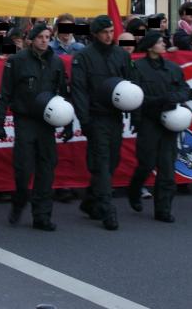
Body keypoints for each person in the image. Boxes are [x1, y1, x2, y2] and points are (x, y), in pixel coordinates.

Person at [0, 23, 71, 231]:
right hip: (25, 121)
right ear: (31, 39)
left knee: (46, 168)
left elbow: (63, 94)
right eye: (40, 37)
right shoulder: (16, 61)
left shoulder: (56, 62)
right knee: (24, 169)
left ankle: (42, 216)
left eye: (47, 36)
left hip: (47, 122)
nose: (45, 40)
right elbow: (6, 94)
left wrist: (68, 123)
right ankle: (18, 202)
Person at [71, 15, 136, 231]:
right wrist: (84, 120)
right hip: (95, 117)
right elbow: (79, 90)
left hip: (115, 117)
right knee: (101, 162)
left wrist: (133, 111)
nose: (109, 36)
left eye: (111, 31)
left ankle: (90, 201)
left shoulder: (121, 55)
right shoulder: (83, 57)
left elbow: (131, 85)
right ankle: (108, 210)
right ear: (95, 34)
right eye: (104, 32)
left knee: (112, 162)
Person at [128, 31, 192, 223]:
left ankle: (163, 209)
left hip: (170, 122)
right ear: (150, 46)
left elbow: (183, 88)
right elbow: (134, 96)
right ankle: (134, 189)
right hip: (149, 121)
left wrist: (177, 98)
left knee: (167, 167)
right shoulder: (137, 68)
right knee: (146, 163)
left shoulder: (173, 68)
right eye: (160, 42)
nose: (164, 44)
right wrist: (156, 102)